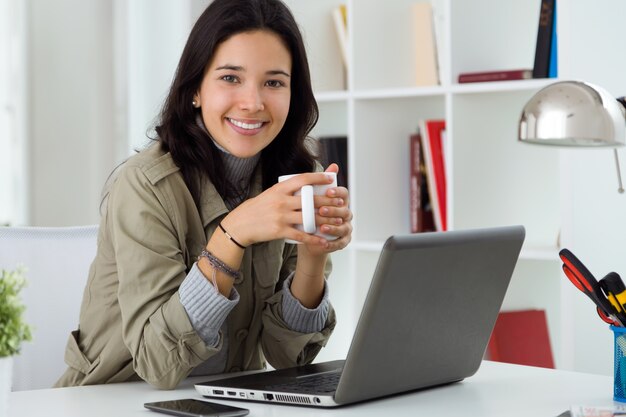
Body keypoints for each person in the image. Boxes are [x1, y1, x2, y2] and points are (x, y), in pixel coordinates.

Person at [54, 0, 352, 390]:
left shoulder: (296, 180)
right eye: (231, 78)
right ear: (195, 88)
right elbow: (158, 364)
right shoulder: (144, 186)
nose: (253, 102)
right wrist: (233, 234)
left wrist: (313, 257)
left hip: (230, 402)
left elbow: (286, 358)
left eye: (274, 82)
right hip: (113, 400)